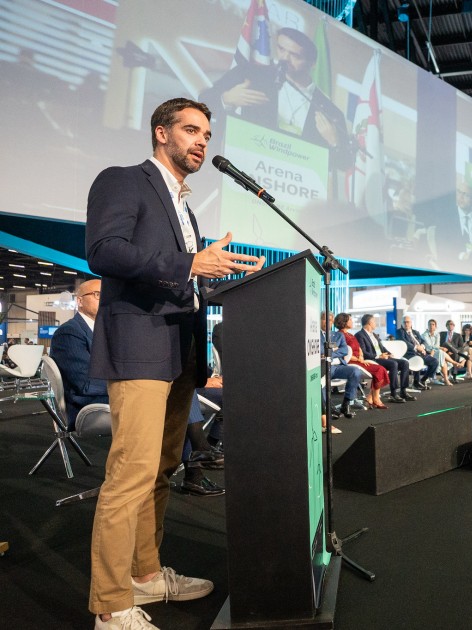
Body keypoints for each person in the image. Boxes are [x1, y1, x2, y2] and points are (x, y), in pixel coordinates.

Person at [85, 98, 264, 628]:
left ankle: (143, 572)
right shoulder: (123, 180)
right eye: (190, 130)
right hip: (140, 345)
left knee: (161, 470)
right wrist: (191, 262)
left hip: (179, 350)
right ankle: (111, 603)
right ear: (161, 133)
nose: (202, 141)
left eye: (206, 133)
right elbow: (105, 251)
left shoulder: (184, 206)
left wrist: (224, 277)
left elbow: (181, 278)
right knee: (130, 473)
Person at [199, 27, 355, 172]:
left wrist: (335, 144)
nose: (285, 58)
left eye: (295, 55)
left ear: (312, 63)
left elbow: (344, 165)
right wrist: (226, 99)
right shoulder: (251, 75)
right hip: (246, 172)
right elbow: (203, 102)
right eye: (281, 49)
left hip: (294, 187)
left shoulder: (329, 111)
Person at [49, 279, 108, 430]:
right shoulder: (69, 332)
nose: (105, 299)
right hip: (87, 405)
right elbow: (85, 384)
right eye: (98, 294)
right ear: (80, 301)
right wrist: (124, 385)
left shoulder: (106, 331)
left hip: (105, 396)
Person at [334, 313, 390, 407]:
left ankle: (372, 397)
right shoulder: (340, 335)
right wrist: (358, 359)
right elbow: (342, 353)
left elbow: (359, 348)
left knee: (380, 369)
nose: (352, 321)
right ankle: (375, 398)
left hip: (359, 360)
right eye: (350, 320)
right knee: (380, 369)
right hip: (351, 362)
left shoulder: (350, 334)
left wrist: (361, 357)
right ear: (344, 322)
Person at [356, 314, 414, 403]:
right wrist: (378, 356)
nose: (375, 323)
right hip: (373, 359)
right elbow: (363, 352)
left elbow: (382, 347)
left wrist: (389, 353)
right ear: (369, 323)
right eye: (374, 321)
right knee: (393, 364)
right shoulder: (360, 335)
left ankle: (403, 391)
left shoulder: (374, 334)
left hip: (382, 357)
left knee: (404, 363)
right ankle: (393, 393)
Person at [398, 315, 437, 389]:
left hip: (420, 353)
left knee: (434, 362)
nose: (406, 324)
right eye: (404, 322)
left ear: (411, 323)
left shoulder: (416, 332)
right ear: (402, 323)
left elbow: (423, 341)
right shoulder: (400, 332)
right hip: (409, 354)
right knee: (418, 359)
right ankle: (416, 382)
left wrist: (422, 346)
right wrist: (416, 347)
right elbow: (404, 342)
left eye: (408, 322)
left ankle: (422, 380)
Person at [422, 319, 458, 385]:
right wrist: (439, 348)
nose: (431, 326)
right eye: (430, 324)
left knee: (441, 354)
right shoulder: (424, 335)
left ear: (435, 326)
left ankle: (444, 379)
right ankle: (453, 363)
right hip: (427, 353)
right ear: (427, 326)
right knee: (441, 353)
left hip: (435, 352)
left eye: (433, 324)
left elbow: (436, 345)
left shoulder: (437, 334)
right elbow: (430, 346)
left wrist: (437, 348)